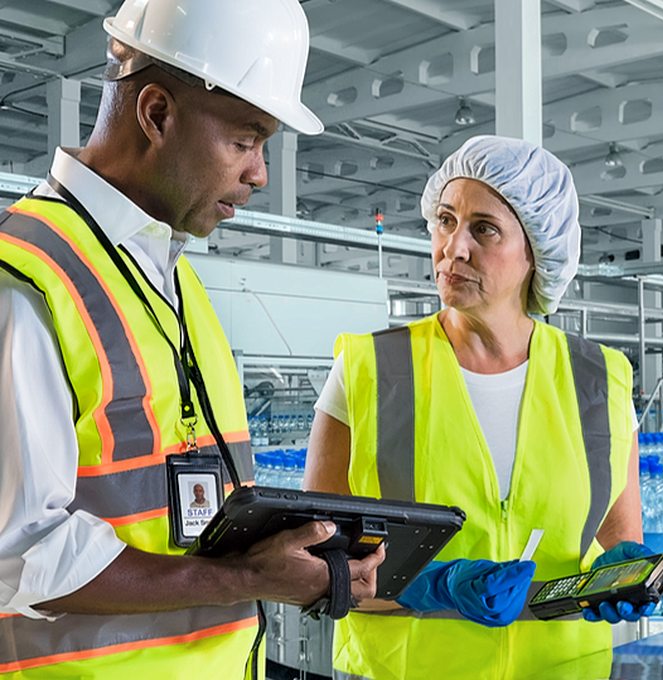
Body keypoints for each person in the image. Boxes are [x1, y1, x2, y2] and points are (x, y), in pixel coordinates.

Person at [0, 1, 383, 677]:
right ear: (156, 113)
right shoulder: (25, 280)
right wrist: (248, 579)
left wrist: (303, 553)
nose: (260, 173)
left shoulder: (175, 283)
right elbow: (19, 554)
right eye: (245, 140)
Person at [305, 135, 652, 680]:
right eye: (445, 221)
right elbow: (312, 564)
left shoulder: (600, 381)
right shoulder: (369, 369)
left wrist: (625, 574)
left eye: (483, 229)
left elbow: (622, 542)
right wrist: (432, 587)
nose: (454, 247)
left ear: (537, 250)